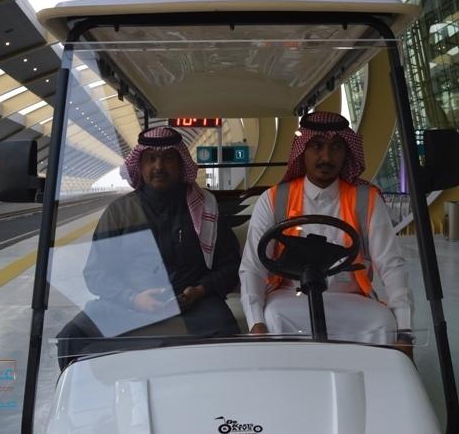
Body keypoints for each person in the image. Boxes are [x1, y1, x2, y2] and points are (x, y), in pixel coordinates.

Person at [57, 127, 240, 369]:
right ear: (140, 165)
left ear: (181, 163)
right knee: (72, 337)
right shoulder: (119, 212)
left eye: (168, 158)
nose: (159, 166)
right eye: (151, 158)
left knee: (226, 334)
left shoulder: (205, 208)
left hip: (193, 307)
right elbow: (96, 273)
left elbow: (230, 265)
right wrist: (132, 298)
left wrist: (199, 291)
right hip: (129, 307)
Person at [239, 111, 412, 346]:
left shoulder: (367, 199)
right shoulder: (274, 199)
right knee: (273, 317)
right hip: (290, 299)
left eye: (336, 147)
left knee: (383, 323)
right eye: (316, 146)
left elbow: (391, 264)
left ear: (346, 152)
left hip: (350, 298)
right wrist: (256, 323)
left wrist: (405, 330)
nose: (326, 157)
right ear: (302, 151)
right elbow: (253, 267)